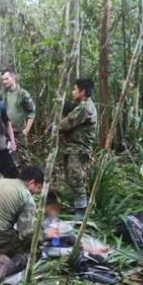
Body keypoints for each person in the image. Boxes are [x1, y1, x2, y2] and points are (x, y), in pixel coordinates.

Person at [59, 78, 97, 221]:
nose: (73, 92)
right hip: (73, 146)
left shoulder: (85, 107)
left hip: (79, 148)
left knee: (77, 177)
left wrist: (56, 126)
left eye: (75, 89)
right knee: (71, 176)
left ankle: (81, 211)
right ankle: (79, 206)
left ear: (83, 92)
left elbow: (66, 124)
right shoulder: (81, 106)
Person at [0, 68, 36, 169]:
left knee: (25, 159)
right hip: (6, 132)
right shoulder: (3, 94)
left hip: (20, 131)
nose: (4, 82)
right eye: (3, 80)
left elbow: (32, 111)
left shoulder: (23, 94)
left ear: (13, 78)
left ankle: (29, 181)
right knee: (7, 158)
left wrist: (26, 129)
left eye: (6, 79)